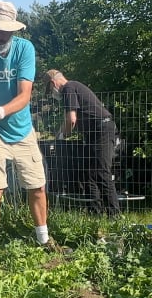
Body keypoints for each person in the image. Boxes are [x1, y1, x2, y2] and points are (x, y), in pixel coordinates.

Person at [0, 0, 65, 271]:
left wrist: (0, 111)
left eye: (5, 32)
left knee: (37, 186)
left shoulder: (24, 49)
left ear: (13, 31)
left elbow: (24, 96)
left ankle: (43, 238)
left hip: (21, 130)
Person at [43, 69, 121, 217]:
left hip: (102, 129)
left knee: (101, 171)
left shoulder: (69, 88)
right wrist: (59, 132)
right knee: (89, 174)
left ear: (53, 83)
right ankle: (94, 213)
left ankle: (114, 215)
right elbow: (69, 120)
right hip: (93, 132)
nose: (52, 94)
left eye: (50, 89)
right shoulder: (73, 87)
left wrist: (60, 137)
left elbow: (71, 120)